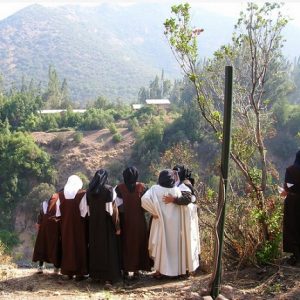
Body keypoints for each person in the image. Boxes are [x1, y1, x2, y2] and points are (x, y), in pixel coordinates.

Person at [141, 169, 189, 278]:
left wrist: (154, 211)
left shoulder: (154, 189)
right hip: (175, 224)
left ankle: (159, 272)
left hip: (160, 223)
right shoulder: (176, 191)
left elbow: (144, 200)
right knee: (173, 247)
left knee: (160, 245)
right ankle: (175, 271)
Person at [115, 166, 152, 279]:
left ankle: (125, 269)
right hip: (139, 221)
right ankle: (137, 270)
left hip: (124, 221)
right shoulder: (142, 187)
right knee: (139, 243)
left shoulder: (119, 189)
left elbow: (117, 206)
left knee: (125, 244)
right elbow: (147, 203)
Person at [163, 165, 200, 274]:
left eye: (176, 173)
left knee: (188, 241)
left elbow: (187, 199)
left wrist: (173, 199)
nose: (174, 175)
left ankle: (188, 268)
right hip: (182, 218)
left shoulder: (184, 184)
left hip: (187, 218)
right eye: (173, 173)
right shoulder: (179, 184)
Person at [87, 169, 122, 283]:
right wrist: (117, 227)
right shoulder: (108, 190)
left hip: (93, 225)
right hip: (106, 225)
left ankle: (96, 275)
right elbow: (111, 211)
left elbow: (88, 211)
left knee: (95, 248)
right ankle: (108, 277)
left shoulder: (89, 191)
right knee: (108, 250)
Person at [57, 175, 89, 280]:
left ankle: (68, 272)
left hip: (65, 226)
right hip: (79, 225)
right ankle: (80, 273)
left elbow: (58, 213)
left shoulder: (60, 195)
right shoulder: (82, 194)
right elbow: (84, 212)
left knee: (68, 246)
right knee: (80, 246)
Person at [32, 192, 61, 274]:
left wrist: (39, 227)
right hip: (55, 230)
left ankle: (40, 267)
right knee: (55, 247)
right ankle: (56, 268)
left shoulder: (44, 204)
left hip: (44, 230)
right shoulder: (58, 204)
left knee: (42, 246)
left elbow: (39, 218)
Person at [281, 150, 300, 265]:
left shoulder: (290, 170)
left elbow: (288, 187)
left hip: (293, 203)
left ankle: (296, 256)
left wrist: (286, 190)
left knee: (292, 227)